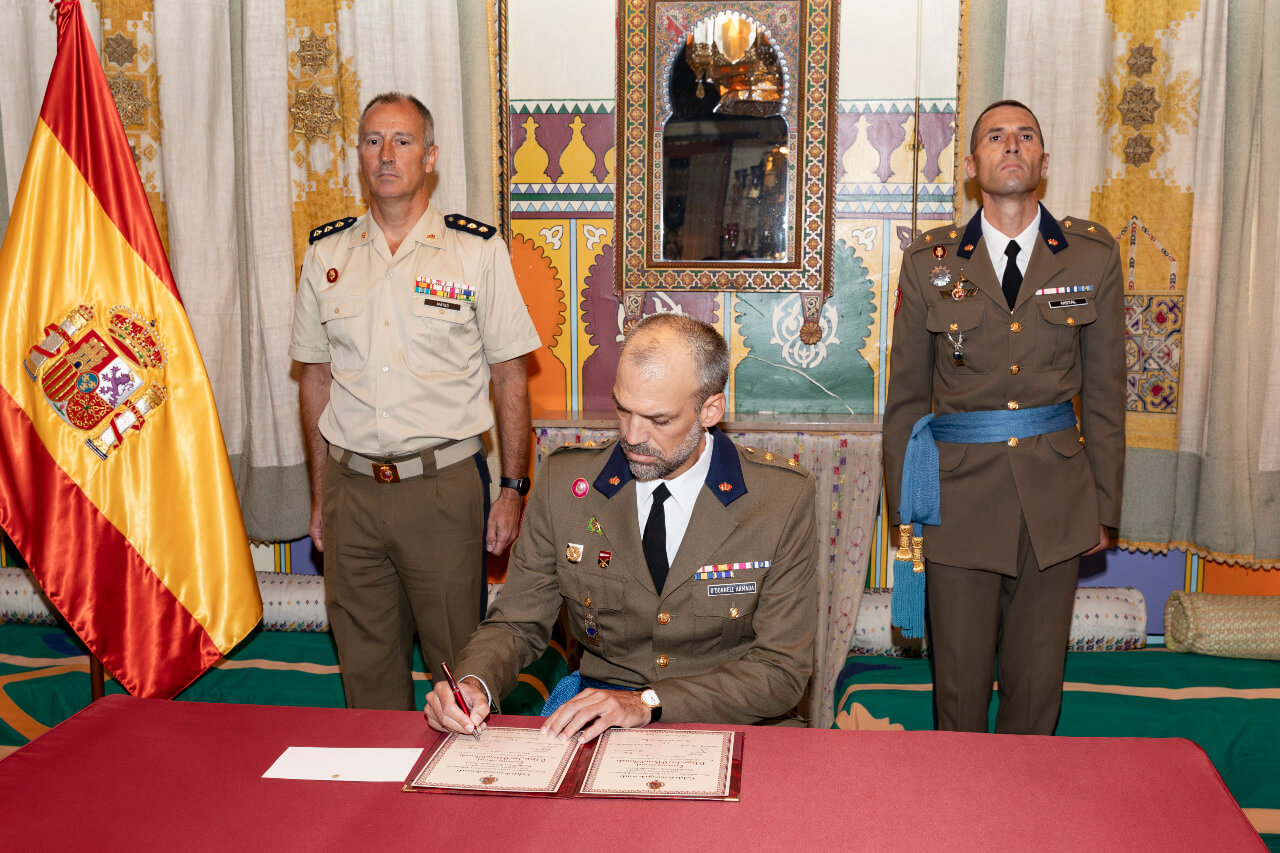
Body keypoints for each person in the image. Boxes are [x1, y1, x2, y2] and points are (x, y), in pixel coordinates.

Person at [426, 313, 817, 742]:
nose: (632, 436)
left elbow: (780, 671)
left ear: (710, 410)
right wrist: (473, 683)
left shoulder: (779, 499)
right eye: (622, 409)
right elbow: (516, 623)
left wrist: (647, 702)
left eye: (659, 420)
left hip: (734, 723)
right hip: (601, 723)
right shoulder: (567, 486)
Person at [289, 92, 541, 710]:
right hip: (352, 490)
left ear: (429, 157)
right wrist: (322, 496)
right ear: (359, 158)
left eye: (402, 141)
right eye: (373, 141)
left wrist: (512, 488)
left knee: (461, 673)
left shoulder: (476, 251)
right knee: (366, 675)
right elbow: (315, 381)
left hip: (443, 488)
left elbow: (510, 375)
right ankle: (382, 804)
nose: (386, 155)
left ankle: (468, 803)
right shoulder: (328, 255)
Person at [882, 100, 1125, 735]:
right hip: (957, 501)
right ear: (972, 164)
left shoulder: (1091, 257)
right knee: (958, 693)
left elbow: (1103, 394)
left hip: (1056, 499)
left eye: (1025, 136)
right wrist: (906, 514)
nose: (1011, 145)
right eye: (995, 136)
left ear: (1044, 160)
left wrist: (1103, 507)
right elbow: (906, 402)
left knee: (1036, 688)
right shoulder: (929, 263)